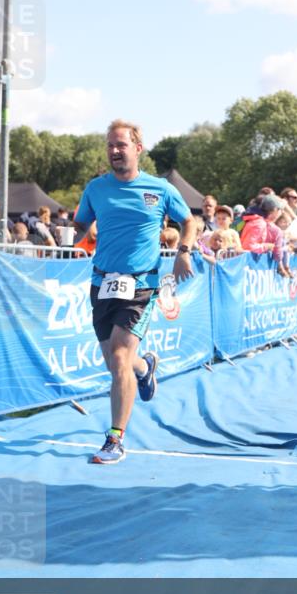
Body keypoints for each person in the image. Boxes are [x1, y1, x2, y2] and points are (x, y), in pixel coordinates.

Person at [74, 119, 195, 465]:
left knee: (118, 359)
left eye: (121, 145)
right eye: (110, 145)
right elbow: (81, 221)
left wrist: (183, 252)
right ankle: (146, 368)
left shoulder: (159, 189)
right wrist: (83, 227)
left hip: (141, 285)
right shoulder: (96, 188)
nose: (114, 150)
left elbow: (189, 221)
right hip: (102, 283)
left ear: (137, 149)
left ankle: (115, 440)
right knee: (117, 364)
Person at [240, 194, 291, 276]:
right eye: (280, 210)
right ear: (274, 210)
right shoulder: (259, 223)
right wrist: (266, 246)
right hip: (247, 268)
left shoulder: (257, 220)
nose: (281, 213)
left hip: (248, 267)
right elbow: (248, 247)